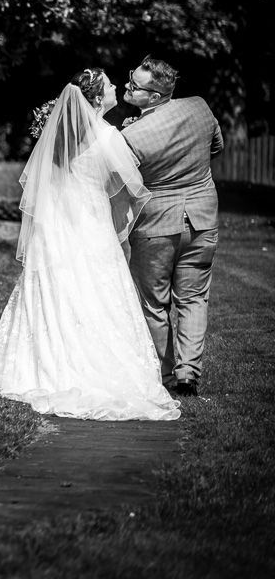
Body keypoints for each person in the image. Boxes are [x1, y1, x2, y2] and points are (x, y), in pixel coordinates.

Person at [0, 69, 180, 421]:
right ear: (98, 98)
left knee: (57, 294)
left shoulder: (58, 139)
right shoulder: (109, 137)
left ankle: (44, 366)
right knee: (98, 296)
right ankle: (94, 368)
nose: (117, 86)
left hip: (56, 228)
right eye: (111, 84)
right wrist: (121, 226)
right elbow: (130, 189)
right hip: (92, 227)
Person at [120, 56, 224, 397]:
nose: (126, 86)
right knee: (194, 298)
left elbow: (125, 181)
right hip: (202, 219)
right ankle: (188, 374)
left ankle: (165, 377)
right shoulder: (199, 107)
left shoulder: (131, 136)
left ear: (153, 97)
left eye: (133, 85)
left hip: (155, 225)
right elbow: (217, 147)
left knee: (154, 303)